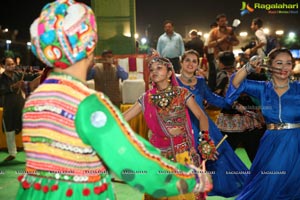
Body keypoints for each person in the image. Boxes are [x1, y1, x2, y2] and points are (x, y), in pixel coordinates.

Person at [16, 1, 212, 199]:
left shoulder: (35, 100)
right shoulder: (87, 104)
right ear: (90, 48)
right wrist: (192, 179)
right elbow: (132, 163)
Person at [123, 51, 217, 200]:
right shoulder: (147, 97)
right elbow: (124, 117)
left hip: (181, 153)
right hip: (158, 155)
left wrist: (205, 140)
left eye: (159, 68)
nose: (154, 72)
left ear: (169, 73)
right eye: (152, 69)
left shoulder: (182, 93)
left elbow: (201, 117)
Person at [227, 48, 300, 199]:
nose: (284, 67)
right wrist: (249, 66)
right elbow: (236, 82)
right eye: (279, 63)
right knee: (267, 182)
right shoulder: (262, 88)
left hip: (296, 141)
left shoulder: (298, 88)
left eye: (288, 63)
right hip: (271, 142)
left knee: (293, 184)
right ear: (270, 65)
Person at [176, 50, 248, 197]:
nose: (190, 64)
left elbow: (212, 98)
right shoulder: (173, 81)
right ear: (181, 63)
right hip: (182, 126)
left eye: (194, 61)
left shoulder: (201, 82)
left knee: (214, 156)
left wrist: (232, 104)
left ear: (197, 64)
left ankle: (207, 186)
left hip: (203, 125)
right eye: (187, 60)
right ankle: (188, 187)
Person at [214, 51, 266, 162]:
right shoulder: (245, 73)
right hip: (252, 120)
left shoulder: (222, 75)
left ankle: (222, 178)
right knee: (257, 157)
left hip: (230, 121)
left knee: (224, 157)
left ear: (221, 63)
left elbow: (220, 96)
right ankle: (261, 178)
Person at [0, 56, 40, 162]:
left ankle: (33, 152)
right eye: (8, 64)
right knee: (9, 130)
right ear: (3, 66)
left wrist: (40, 74)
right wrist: (13, 87)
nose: (11, 66)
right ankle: (12, 153)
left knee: (28, 127)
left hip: (21, 105)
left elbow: (30, 76)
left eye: (13, 64)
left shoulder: (18, 74)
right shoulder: (1, 78)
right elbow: (1, 90)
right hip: (8, 107)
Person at [206, 14, 239, 91]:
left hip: (229, 57)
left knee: (231, 76)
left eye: (225, 21)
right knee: (218, 76)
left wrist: (230, 40)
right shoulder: (213, 32)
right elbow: (209, 44)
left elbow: (237, 42)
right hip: (218, 58)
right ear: (217, 22)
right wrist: (221, 39)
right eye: (221, 21)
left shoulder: (230, 30)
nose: (224, 23)